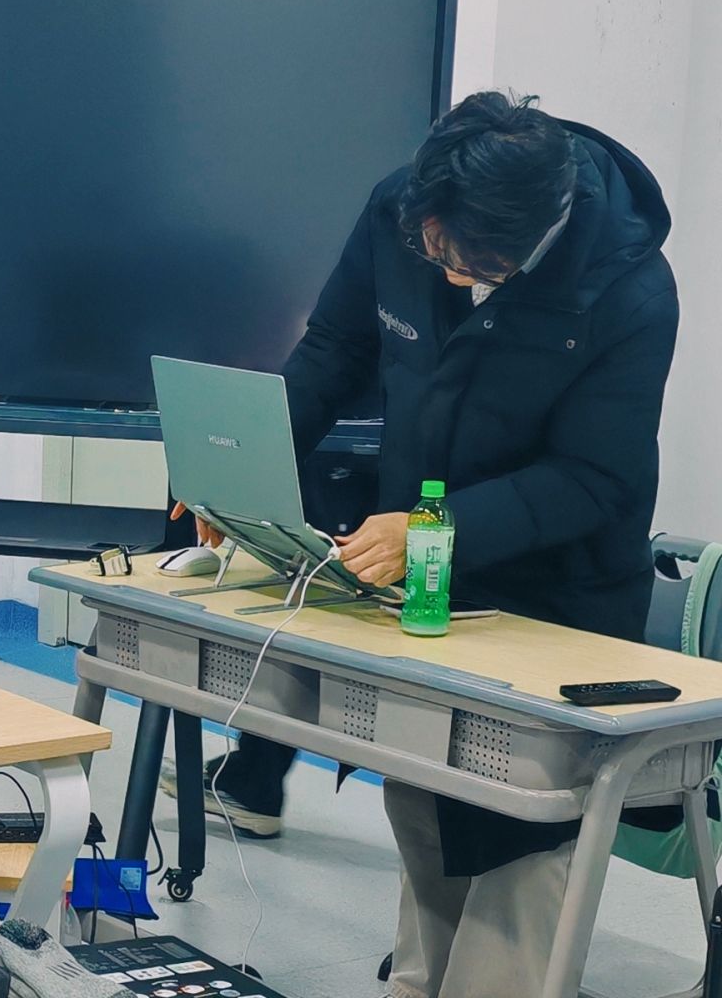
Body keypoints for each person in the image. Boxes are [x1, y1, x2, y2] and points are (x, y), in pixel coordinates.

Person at [185, 92, 676, 996]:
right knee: (421, 796)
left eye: (472, 265)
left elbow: (593, 479)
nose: (447, 279)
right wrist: (243, 464)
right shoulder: (405, 208)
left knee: (520, 837)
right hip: (426, 577)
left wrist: (433, 530)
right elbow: (335, 349)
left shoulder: (628, 290)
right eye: (433, 252)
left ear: (533, 235)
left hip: (557, 597)